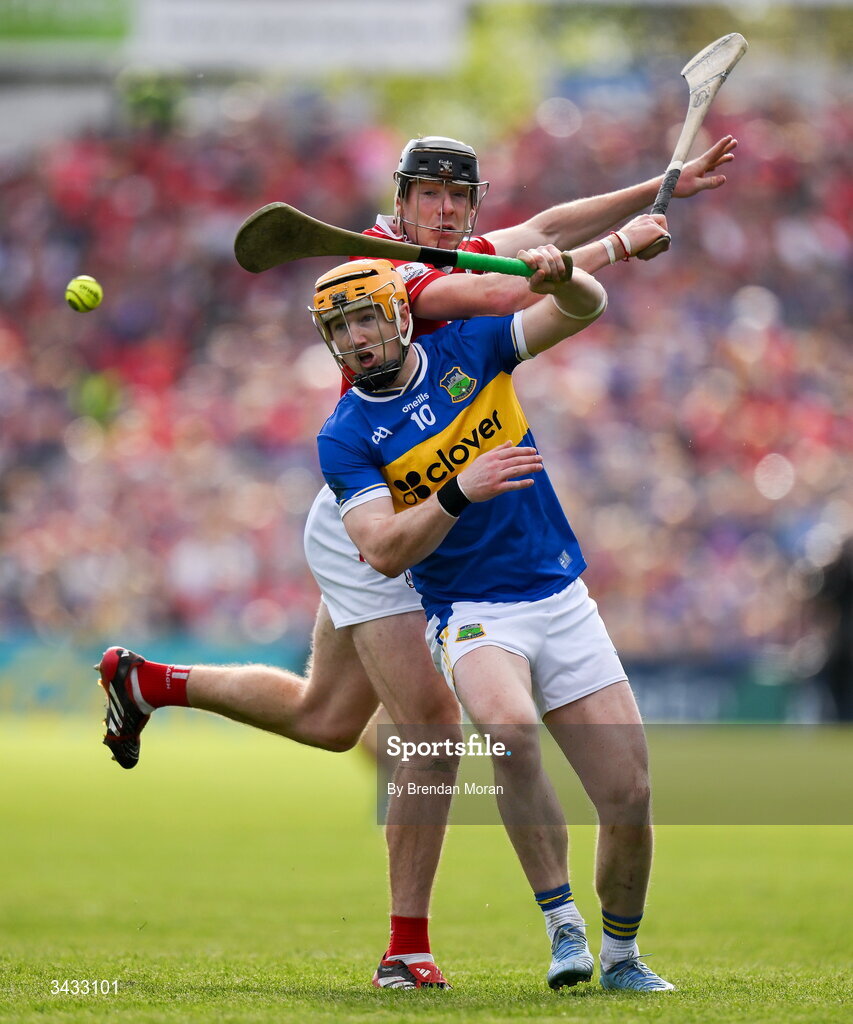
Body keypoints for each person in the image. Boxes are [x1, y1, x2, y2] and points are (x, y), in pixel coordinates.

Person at [98, 133, 735, 989]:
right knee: (432, 728)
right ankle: (406, 947)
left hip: (421, 502)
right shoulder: (402, 273)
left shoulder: (458, 242)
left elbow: (543, 225)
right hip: (379, 512)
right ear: (398, 203)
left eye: (455, 196)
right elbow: (491, 289)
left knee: (328, 720)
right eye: (426, 194)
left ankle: (146, 682)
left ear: (469, 205)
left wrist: (657, 187)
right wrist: (620, 248)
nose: (441, 208)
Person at [313, 245, 676, 993]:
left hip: (559, 597)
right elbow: (381, 551)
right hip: (470, 611)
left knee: (629, 795)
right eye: (339, 329)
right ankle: (561, 923)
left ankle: (620, 954)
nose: (356, 340)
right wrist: (456, 491)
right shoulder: (345, 435)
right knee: (508, 729)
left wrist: (560, 273)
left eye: (365, 320)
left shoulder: (472, 347)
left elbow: (585, 307)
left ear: (400, 315)